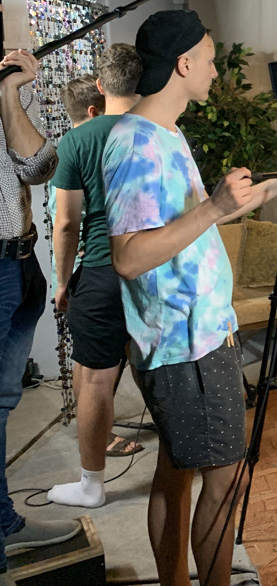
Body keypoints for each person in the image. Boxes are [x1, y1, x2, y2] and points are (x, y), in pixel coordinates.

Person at [102, 10, 277, 586]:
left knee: (176, 469)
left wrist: (276, 186)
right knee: (226, 479)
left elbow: (190, 223)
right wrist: (213, 207)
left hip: (197, 334)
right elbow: (129, 256)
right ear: (183, 64)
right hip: (185, 344)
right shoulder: (135, 143)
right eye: (209, 59)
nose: (214, 70)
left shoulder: (166, 132)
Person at [47, 47, 144, 510]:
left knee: (96, 381)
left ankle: (91, 486)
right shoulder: (160, 130)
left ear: (101, 87)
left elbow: (66, 223)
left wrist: (62, 281)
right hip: (153, 266)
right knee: (159, 371)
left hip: (102, 269)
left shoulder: (78, 140)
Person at [0, 49, 79, 573]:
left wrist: (9, 94)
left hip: (21, 261)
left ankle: (5, 524)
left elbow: (39, 168)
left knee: (3, 400)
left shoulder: (8, 85)